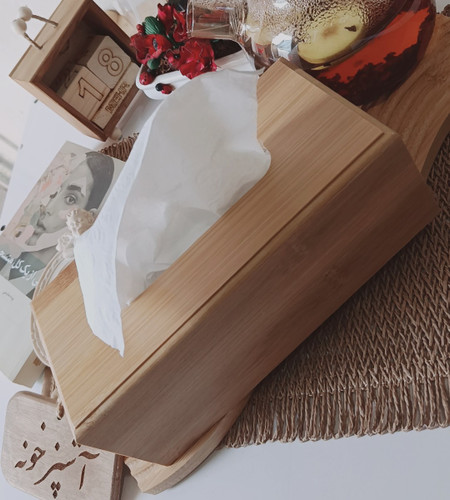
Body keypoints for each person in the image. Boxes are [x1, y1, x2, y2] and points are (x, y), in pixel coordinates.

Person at [0, 151, 114, 298]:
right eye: (54, 185)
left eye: (70, 199)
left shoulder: (69, 279)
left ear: (89, 214)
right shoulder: (9, 245)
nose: (48, 206)